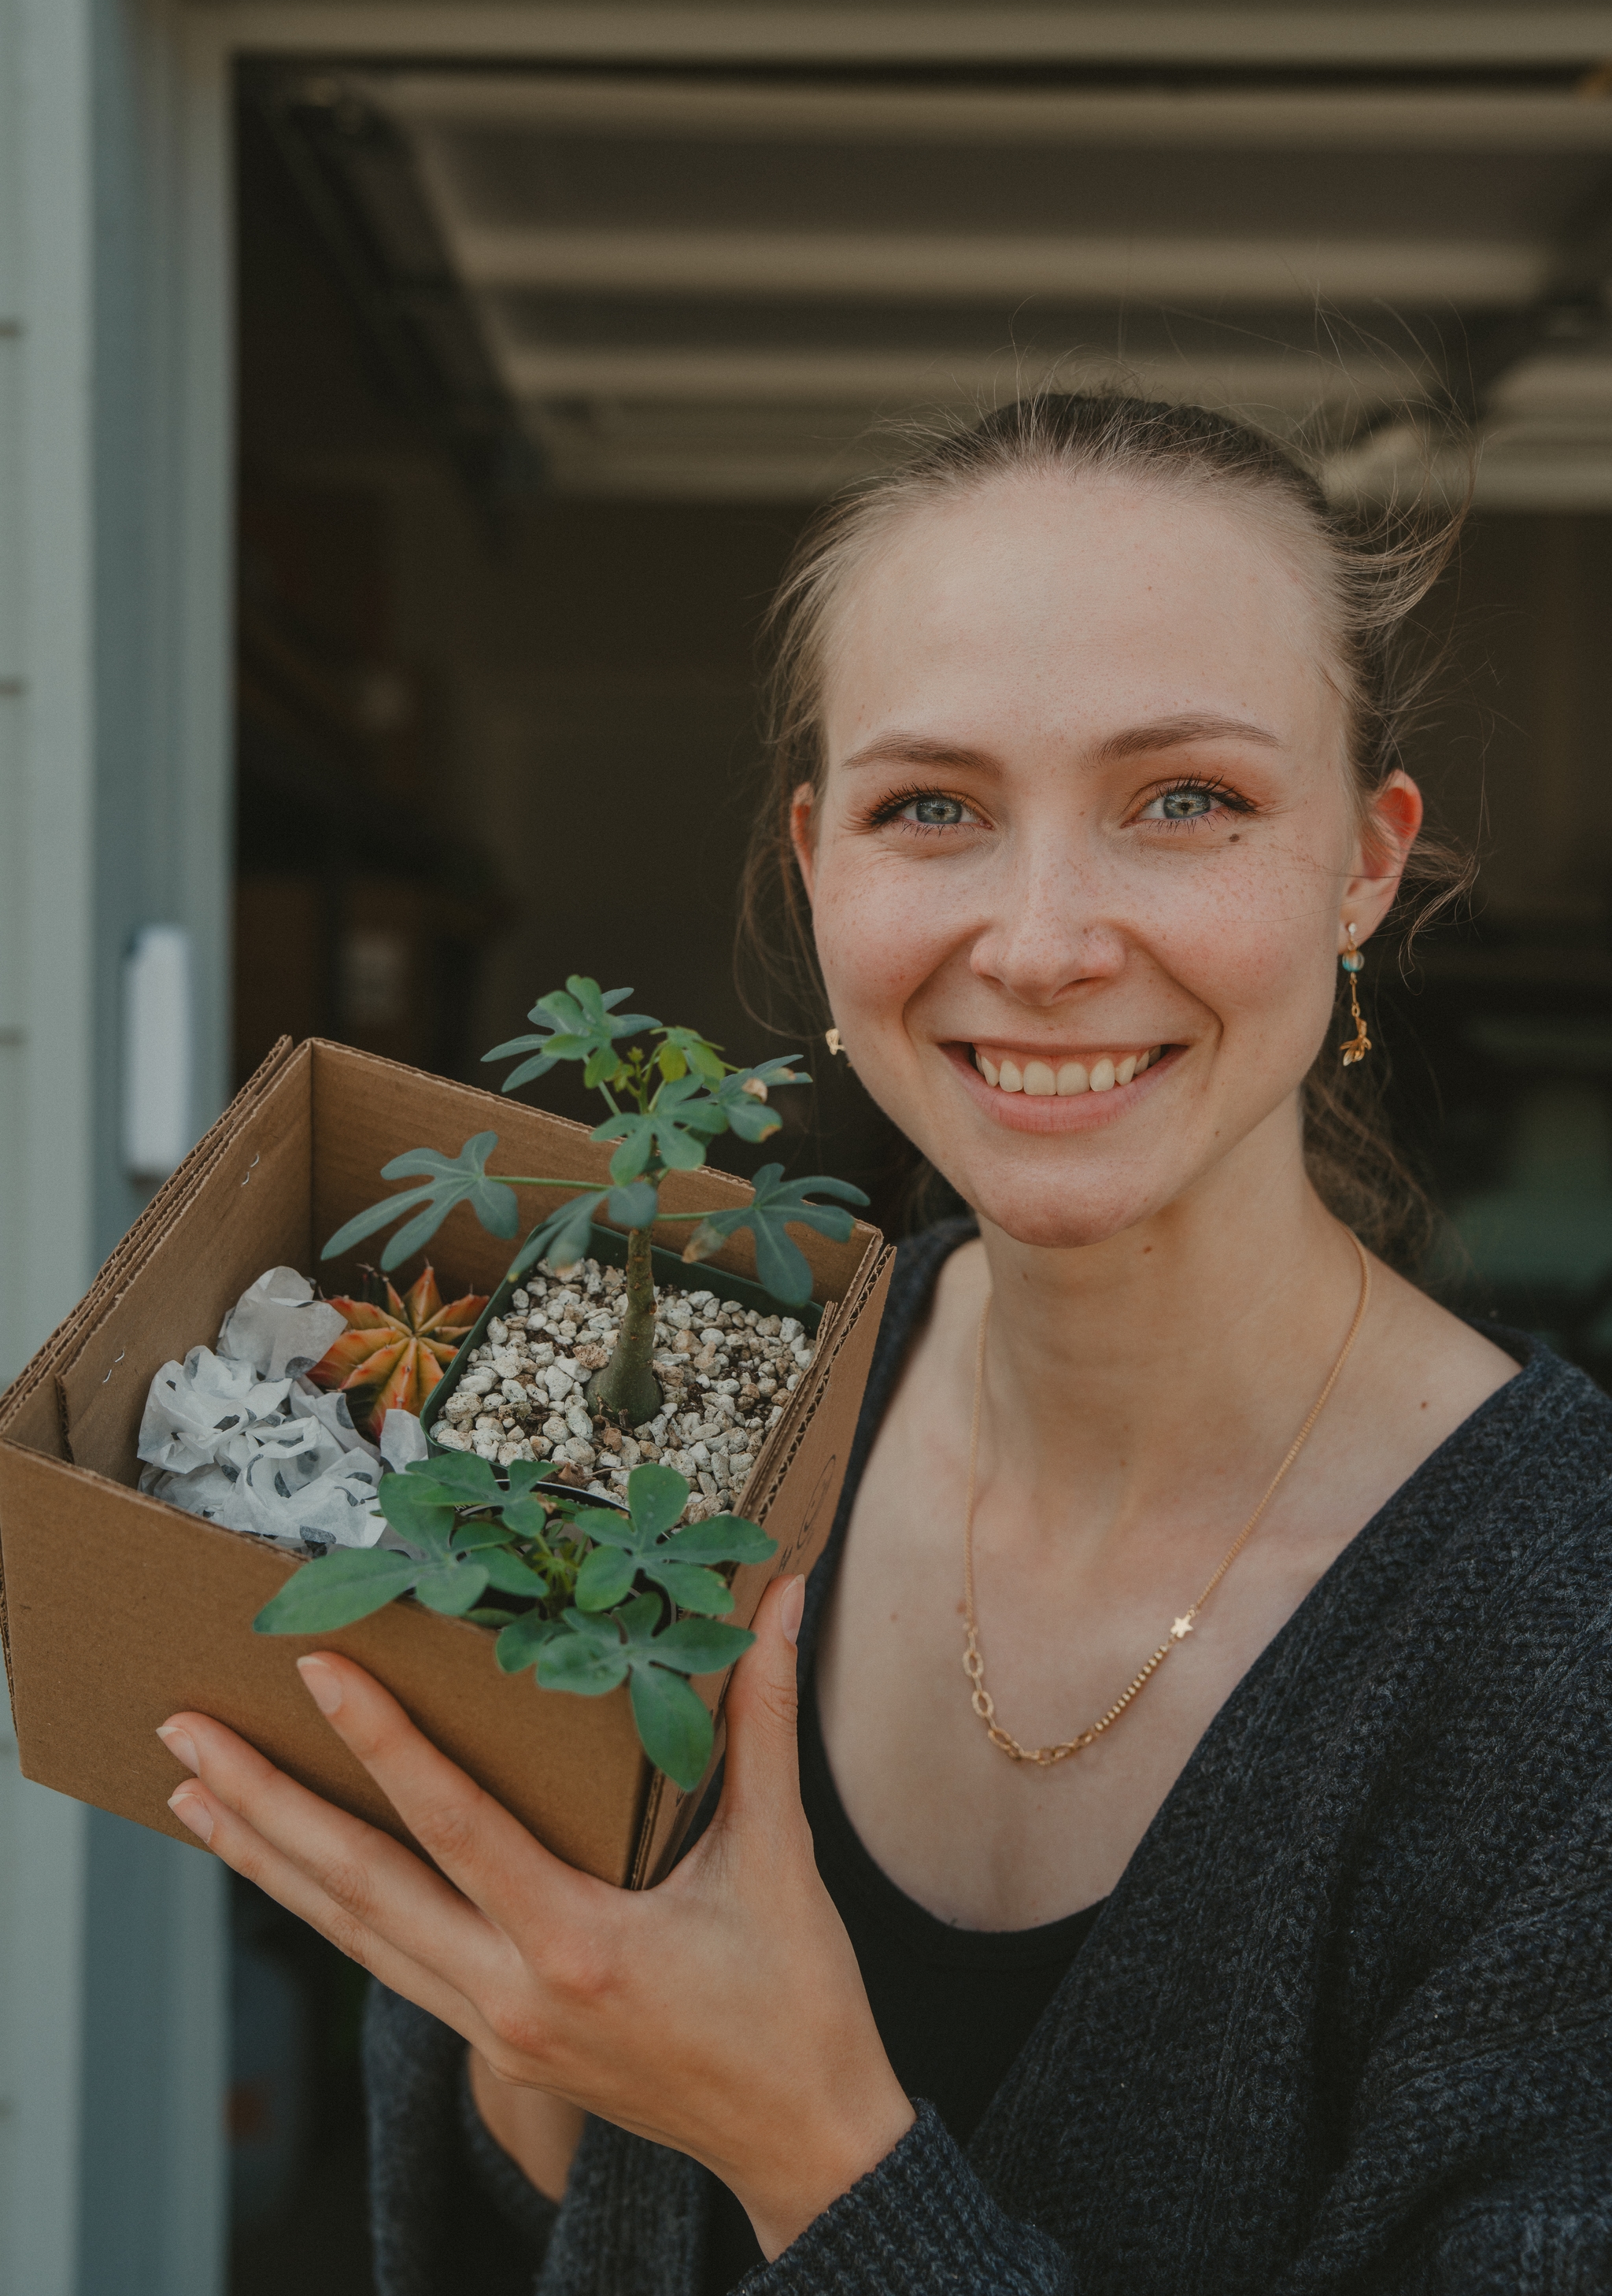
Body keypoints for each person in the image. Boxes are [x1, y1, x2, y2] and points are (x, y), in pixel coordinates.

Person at [158, 396, 1612, 2294]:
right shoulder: (663, 1360)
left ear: (1363, 861)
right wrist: (537, 2023)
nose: (1039, 939)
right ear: (815, 857)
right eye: (931, 807)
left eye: (1187, 800)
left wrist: (810, 2150)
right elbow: (494, 2208)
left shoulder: (1561, 1635)